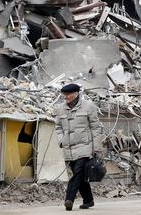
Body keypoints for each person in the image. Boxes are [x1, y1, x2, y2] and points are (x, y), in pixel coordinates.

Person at [54, 83, 103, 211]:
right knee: (80, 176)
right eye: (65, 94)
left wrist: (96, 148)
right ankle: (88, 200)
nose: (66, 97)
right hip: (68, 148)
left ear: (76, 94)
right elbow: (58, 127)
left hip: (85, 147)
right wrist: (61, 141)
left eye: (68, 94)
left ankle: (69, 199)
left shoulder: (88, 106)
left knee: (78, 173)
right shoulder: (60, 109)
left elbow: (96, 128)